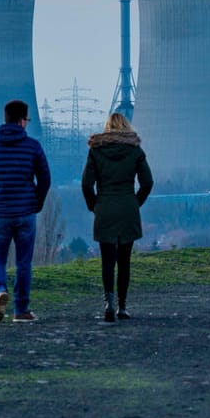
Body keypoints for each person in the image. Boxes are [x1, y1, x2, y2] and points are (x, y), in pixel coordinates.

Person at [0, 99, 51, 324]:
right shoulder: (33, 146)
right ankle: (21, 310)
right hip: (25, 212)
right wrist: (36, 203)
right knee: (24, 262)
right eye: (27, 120)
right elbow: (45, 179)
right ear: (21, 121)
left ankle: (0, 289)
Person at [81, 112, 154, 323]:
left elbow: (86, 184)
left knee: (107, 260)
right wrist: (135, 202)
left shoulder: (96, 151)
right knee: (124, 260)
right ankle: (122, 307)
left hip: (105, 207)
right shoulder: (135, 150)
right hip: (127, 208)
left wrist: (94, 206)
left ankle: (108, 303)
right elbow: (148, 182)